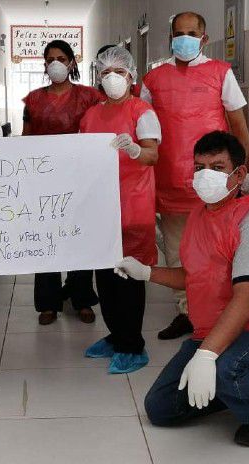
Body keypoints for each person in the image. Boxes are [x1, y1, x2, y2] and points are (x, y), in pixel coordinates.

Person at [120, 131, 249, 447]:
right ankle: (229, 384)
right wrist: (145, 272)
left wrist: (207, 355)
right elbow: (192, 276)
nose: (205, 175)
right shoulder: (199, 215)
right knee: (160, 407)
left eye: (217, 167)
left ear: (238, 174)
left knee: (227, 367)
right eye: (199, 168)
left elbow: (247, 297)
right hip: (208, 330)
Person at [140, 11, 249, 341]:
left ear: (204, 38)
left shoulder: (220, 73)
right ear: (170, 38)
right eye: (179, 33)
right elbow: (142, 127)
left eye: (192, 33)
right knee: (178, 251)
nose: (185, 39)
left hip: (215, 180)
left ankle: (222, 314)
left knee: (218, 250)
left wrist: (243, 171)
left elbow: (239, 126)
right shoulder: (153, 79)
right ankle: (187, 313)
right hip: (170, 181)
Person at [79, 46, 161, 374]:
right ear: (98, 78)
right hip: (100, 204)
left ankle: (132, 345)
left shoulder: (142, 111)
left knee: (128, 276)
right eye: (106, 72)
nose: (112, 78)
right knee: (105, 275)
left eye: (120, 72)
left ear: (131, 76)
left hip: (132, 203)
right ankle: (115, 336)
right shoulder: (91, 115)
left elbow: (153, 155)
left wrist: (135, 149)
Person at [23, 39, 103, 325]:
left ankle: (82, 298)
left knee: (79, 236)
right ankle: (48, 303)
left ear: (71, 62)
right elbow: (25, 139)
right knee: (46, 239)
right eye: (50, 59)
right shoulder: (33, 100)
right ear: (44, 64)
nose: (55, 63)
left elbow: (99, 131)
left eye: (61, 58)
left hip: (80, 178)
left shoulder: (90, 97)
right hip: (44, 179)